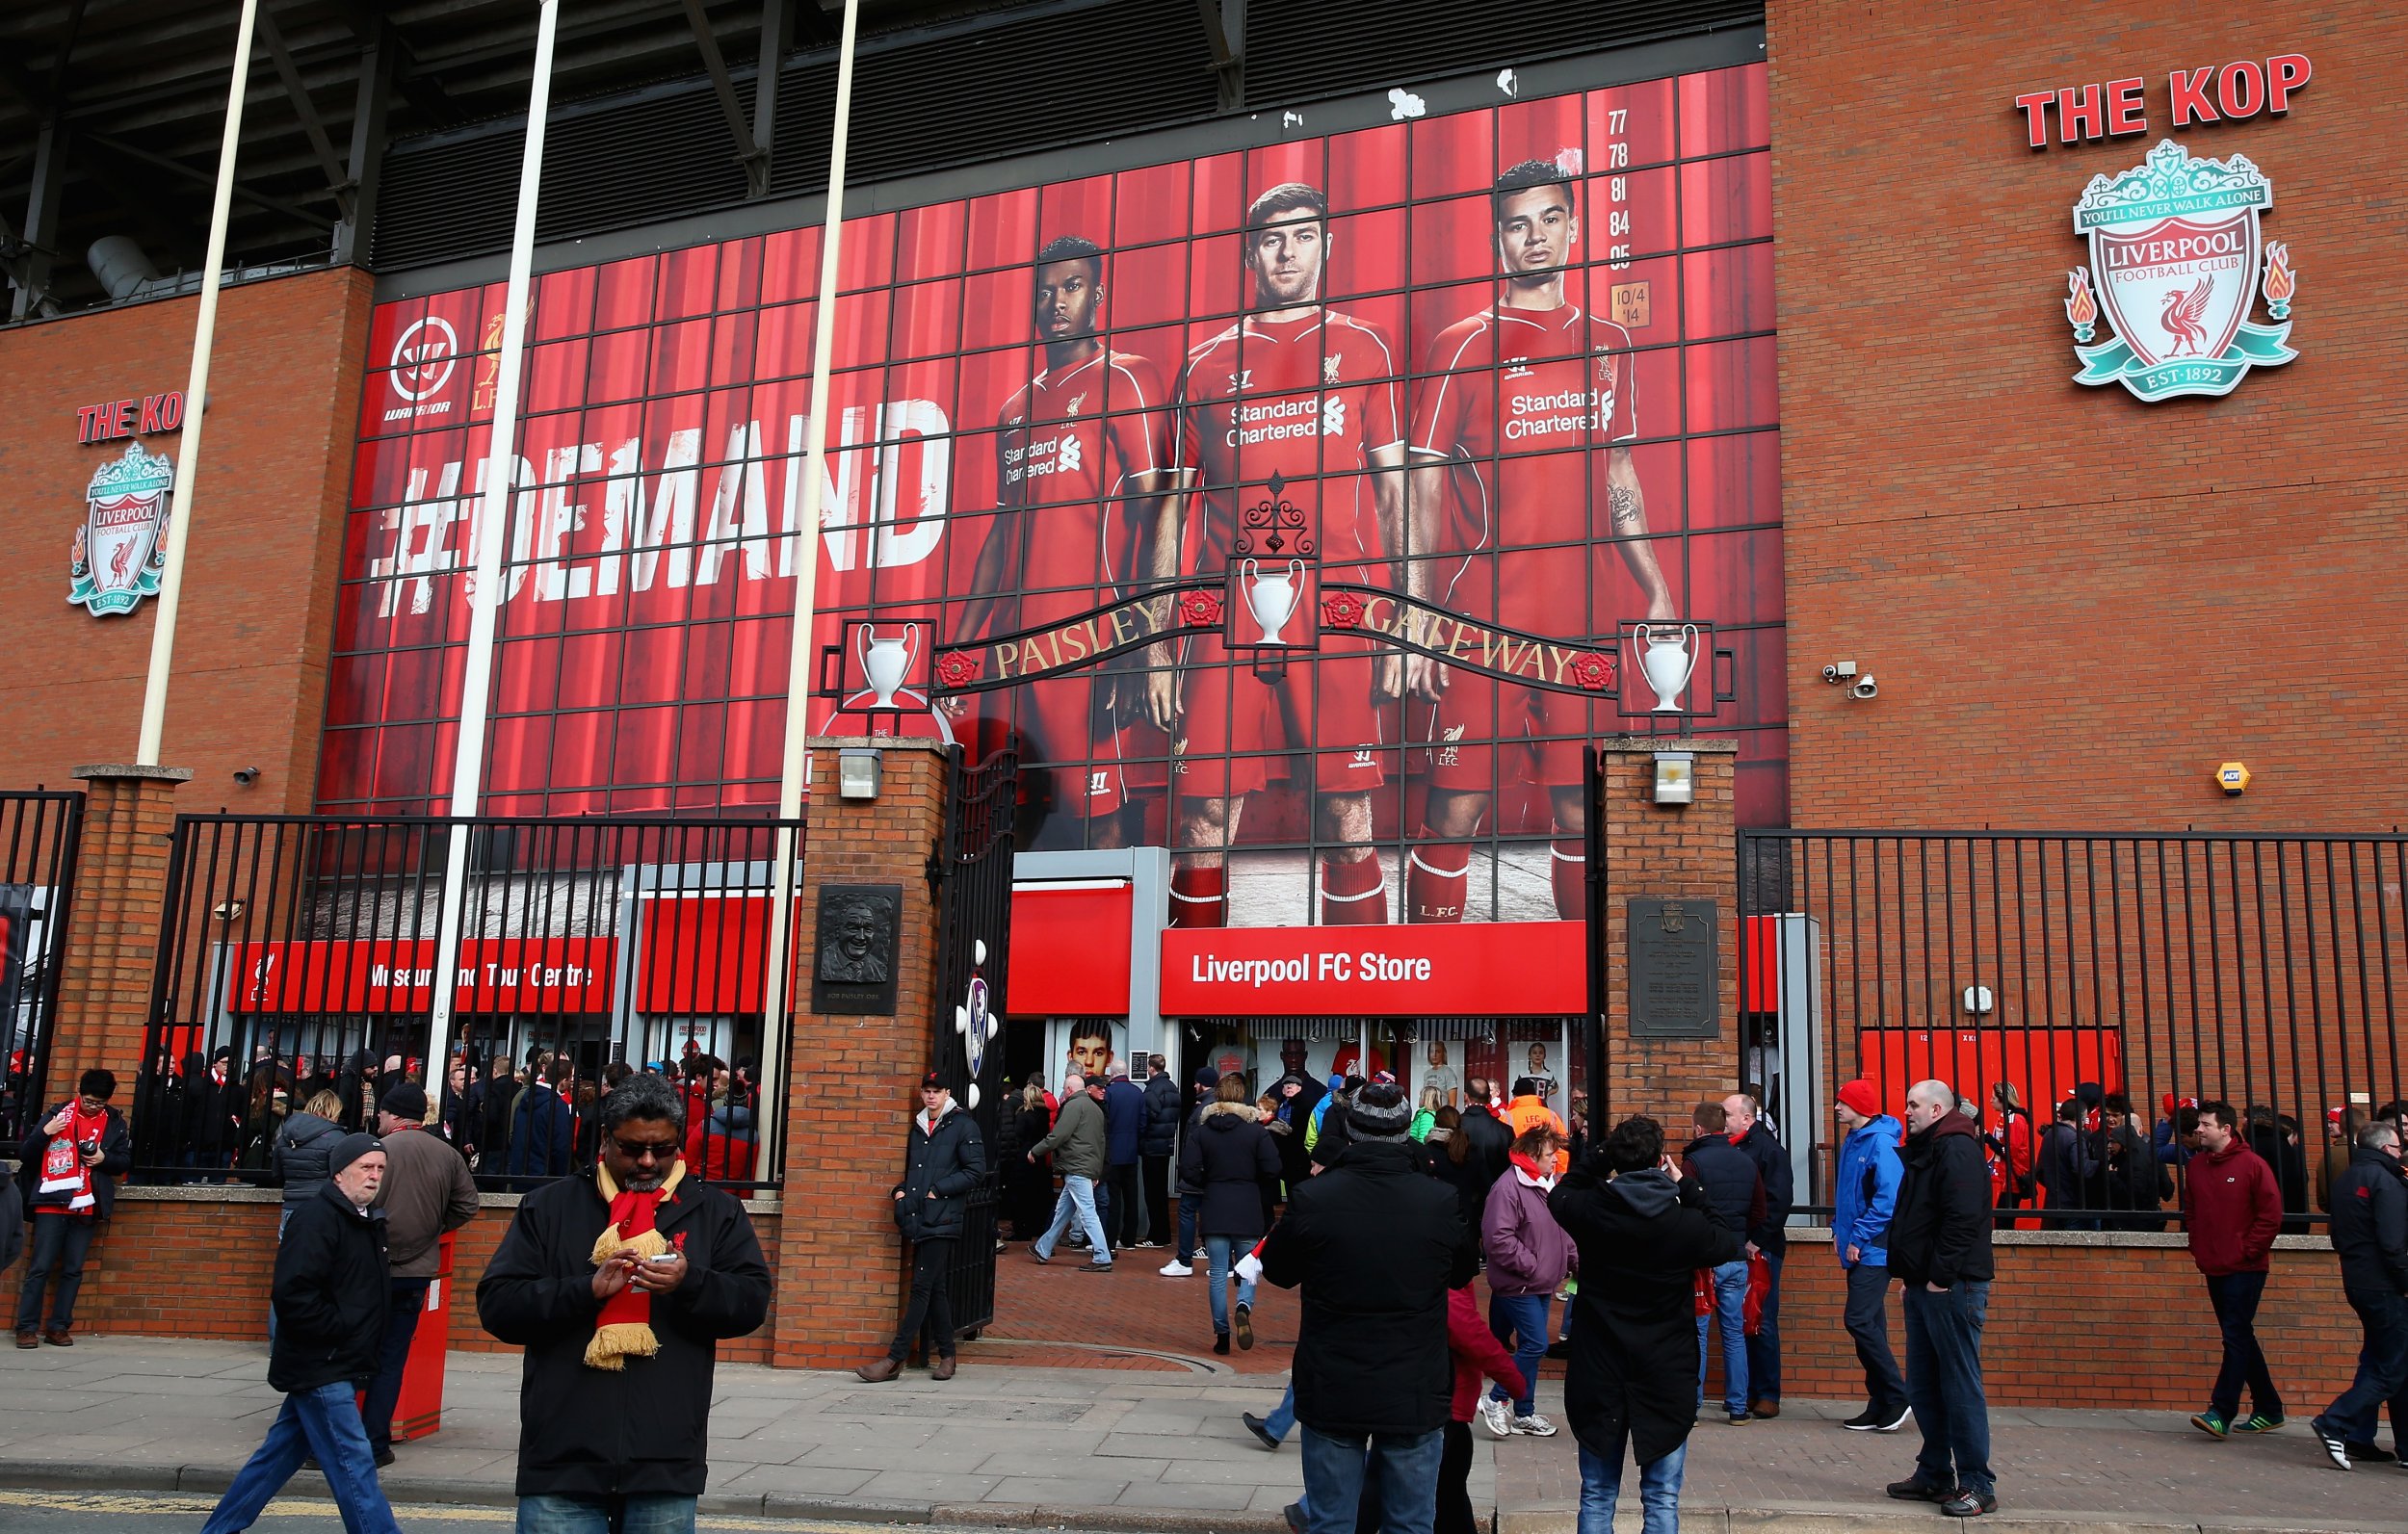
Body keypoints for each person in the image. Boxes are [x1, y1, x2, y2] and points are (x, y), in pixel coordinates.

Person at [1403, 160, 1673, 928]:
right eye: (1519, 225)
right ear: (1499, 241)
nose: (1536, 237)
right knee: (1455, 812)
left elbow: (1619, 471)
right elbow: (1421, 489)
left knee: (1578, 810)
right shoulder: (1461, 345)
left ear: (1574, 227)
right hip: (1481, 627)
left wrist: (1656, 587)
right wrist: (1418, 617)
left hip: (1578, 628)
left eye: (1551, 219)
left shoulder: (1609, 342)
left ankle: (1582, 1002)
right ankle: (1428, 1001)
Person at [1154, 180, 1412, 930]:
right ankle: (1192, 1010)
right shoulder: (1204, 365)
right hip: (1226, 610)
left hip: (1334, 606)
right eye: (1273, 239)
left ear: (1326, 246)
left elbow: (1395, 498)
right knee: (1204, 811)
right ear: (1249, 253)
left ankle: (1367, 1005)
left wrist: (1401, 622)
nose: (1288, 252)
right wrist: (1157, 644)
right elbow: (1174, 508)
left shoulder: (1363, 349)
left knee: (1347, 808)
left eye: (1303, 236)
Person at [477, 1070, 772, 1530]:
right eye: (632, 1149)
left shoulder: (717, 1212)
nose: (648, 1162)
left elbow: (751, 1302)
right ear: (605, 1141)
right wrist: (585, 1290)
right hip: (561, 1460)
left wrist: (690, 1281)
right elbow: (498, 1306)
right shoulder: (550, 1207)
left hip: (665, 1459)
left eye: (664, 1149)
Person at [952, 234, 1173, 843]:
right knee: (1020, 824)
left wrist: (1136, 647)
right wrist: (963, 649)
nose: (1057, 302)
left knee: (1095, 821)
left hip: (1086, 644)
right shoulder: (1014, 411)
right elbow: (1003, 534)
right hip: (1017, 652)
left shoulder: (1128, 379)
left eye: (1071, 287)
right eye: (1045, 291)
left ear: (1098, 295)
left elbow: (1157, 515)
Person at [1260, 1083, 1478, 1534]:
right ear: (1405, 1134)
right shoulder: (1439, 1201)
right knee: (1411, 1523)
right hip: (1413, 1382)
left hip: (1335, 1380)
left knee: (1332, 1522)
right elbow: (1460, 1274)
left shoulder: (1316, 1197)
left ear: (1352, 1133)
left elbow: (1278, 1271)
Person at [1548, 1115, 1743, 1534]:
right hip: (1664, 1369)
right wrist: (1687, 1186)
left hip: (1600, 1369)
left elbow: (1562, 1192)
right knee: (1662, 1499)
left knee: (1597, 1495)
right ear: (1660, 1160)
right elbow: (1726, 1238)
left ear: (1616, 1160)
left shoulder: (1591, 1210)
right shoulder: (1683, 1224)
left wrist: (1600, 1155)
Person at [199, 1133, 400, 1534]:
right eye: (366, 1167)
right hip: (323, 1363)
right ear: (340, 1172)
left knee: (277, 1456)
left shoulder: (366, 1221)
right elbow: (293, 1294)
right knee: (353, 1462)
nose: (374, 1176)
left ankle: (219, 1530)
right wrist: (338, 1335)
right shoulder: (316, 1219)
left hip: (335, 1359)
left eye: (380, 1168)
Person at [1886, 1079, 1997, 1518]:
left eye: (1914, 1105)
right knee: (1925, 1385)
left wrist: (1939, 1277)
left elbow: (1963, 1217)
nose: (1907, 1111)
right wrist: (1915, 1278)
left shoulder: (1956, 1149)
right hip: (1925, 1283)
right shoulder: (1931, 1147)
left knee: (1959, 1385)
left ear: (1937, 1109)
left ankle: (1976, 1484)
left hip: (1953, 1286)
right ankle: (1934, 1473)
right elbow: (1921, 1218)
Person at [362, 1081, 478, 1463]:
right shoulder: (446, 1154)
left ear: (394, 1114)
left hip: (371, 1267)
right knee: (392, 1358)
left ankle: (338, 1439)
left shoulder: (377, 1150)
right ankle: (376, 1442)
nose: (377, 1117)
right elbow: (467, 1206)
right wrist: (433, 1229)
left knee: (353, 1354)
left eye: (381, 1111)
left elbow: (354, 1201)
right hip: (417, 1269)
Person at [860, 1071, 987, 1382]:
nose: (931, 1096)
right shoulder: (919, 1127)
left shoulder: (962, 1125)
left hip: (942, 1217)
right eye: (926, 1091)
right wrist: (901, 1191)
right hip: (919, 1216)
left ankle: (894, 1359)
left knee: (920, 1288)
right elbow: (918, 1171)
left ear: (947, 1093)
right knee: (935, 1288)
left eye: (936, 1091)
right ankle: (947, 1355)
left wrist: (938, 1190)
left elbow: (976, 1171)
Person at [2307, 1119, 2408, 1471]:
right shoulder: (2387, 1181)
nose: (2401, 1153)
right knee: (2391, 1367)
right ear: (2384, 1149)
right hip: (2385, 1285)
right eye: (2398, 1148)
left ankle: (2378, 1440)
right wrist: (2404, 1280)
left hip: (2358, 1280)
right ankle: (2335, 1422)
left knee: (2386, 1360)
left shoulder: (2347, 1178)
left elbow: (2338, 1232)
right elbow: (2394, 1243)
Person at [2182, 1100, 2285, 1440]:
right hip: (2213, 1263)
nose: (2198, 1129)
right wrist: (2198, 1246)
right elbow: (2192, 1211)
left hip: (2246, 1267)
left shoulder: (2252, 1165)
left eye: (2205, 1124)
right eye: (2199, 1124)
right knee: (2240, 1335)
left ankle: (2221, 1411)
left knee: (2235, 1335)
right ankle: (2269, 1407)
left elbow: (2270, 1215)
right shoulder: (2196, 1166)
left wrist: (2248, 1250)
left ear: (2225, 1129)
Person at [13, 1068, 131, 1346]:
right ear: (79, 1093)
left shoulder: (114, 1122)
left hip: (87, 1203)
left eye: (99, 1103)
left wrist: (104, 1158)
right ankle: (27, 1328)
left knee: (73, 1268)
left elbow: (124, 1161)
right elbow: (26, 1154)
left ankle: (59, 1326)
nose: (93, 1107)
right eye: (89, 1101)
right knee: (40, 1266)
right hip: (52, 1201)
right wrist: (46, 1132)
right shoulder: (58, 1114)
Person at [1479, 1125, 1569, 1439]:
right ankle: (1496, 1398)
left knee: (1531, 1346)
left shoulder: (1546, 1182)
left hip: (1540, 1281)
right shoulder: (1507, 1189)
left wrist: (1571, 1259)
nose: (1555, 1160)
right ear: (1531, 1156)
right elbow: (1497, 1239)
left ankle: (1524, 1413)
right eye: (1549, 1154)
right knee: (1535, 1344)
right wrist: (1532, 1266)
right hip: (1520, 1283)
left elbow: (1561, 1230)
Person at [1831, 1079, 1909, 1432]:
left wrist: (1857, 1237)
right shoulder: (1856, 1140)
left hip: (1874, 1248)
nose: (1836, 1107)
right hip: (1860, 1247)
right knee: (1871, 1323)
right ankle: (1880, 1402)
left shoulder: (1880, 1143)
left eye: (1842, 1102)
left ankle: (1896, 1395)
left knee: (1858, 1320)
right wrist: (1838, 1229)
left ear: (1860, 1106)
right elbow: (1848, 1194)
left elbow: (1887, 1201)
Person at [1182, 1074, 1279, 1354]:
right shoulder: (1256, 1131)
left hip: (1215, 1202)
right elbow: (1272, 1167)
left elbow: (1188, 1169)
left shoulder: (1202, 1131)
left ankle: (1221, 1334)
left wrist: (1207, 1182)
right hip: (1247, 1204)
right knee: (1249, 1269)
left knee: (1217, 1275)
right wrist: (1255, 1181)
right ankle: (1243, 1306)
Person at [1681, 1100, 1761, 1424]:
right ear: (1724, 1127)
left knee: (1697, 1333)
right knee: (1733, 1333)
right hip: (1736, 1255)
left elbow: (1684, 1210)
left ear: (1699, 1128)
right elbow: (1760, 1211)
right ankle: (1738, 1407)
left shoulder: (1693, 1162)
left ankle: (1693, 1406)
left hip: (1703, 1259)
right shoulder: (1746, 1162)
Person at [1439, 1278, 1527, 1534]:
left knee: (1450, 1492)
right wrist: (1514, 1381)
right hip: (1443, 1402)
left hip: (1449, 1403)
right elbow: (1468, 1331)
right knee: (1434, 1492)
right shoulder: (1445, 1273)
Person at [1725, 1091, 1792, 1418]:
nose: (1724, 1120)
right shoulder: (1731, 1147)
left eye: (1728, 1114)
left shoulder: (1767, 1151)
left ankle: (1767, 1393)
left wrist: (1758, 1240)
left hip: (1761, 1249)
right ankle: (1749, 1391)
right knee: (1741, 1320)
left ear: (1746, 1119)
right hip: (1739, 1245)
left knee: (1761, 1317)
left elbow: (1779, 1201)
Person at [1029, 1071, 1112, 1268]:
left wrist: (1036, 1151)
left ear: (1068, 1089)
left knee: (1087, 1212)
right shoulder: (1095, 1108)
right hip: (1086, 1167)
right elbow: (1100, 1142)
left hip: (1076, 1167)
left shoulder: (1074, 1105)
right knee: (1063, 1212)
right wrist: (1096, 1171)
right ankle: (1043, 1248)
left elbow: (1058, 1135)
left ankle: (1102, 1256)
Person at [1164, 1064, 1222, 1276]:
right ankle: (1223, 1263)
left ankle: (1184, 1260)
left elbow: (1195, 1142)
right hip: (1210, 1173)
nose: (1194, 1085)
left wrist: (1189, 1170)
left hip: (1198, 1174)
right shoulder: (1216, 1104)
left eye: (1196, 1082)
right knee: (1212, 1216)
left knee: (1188, 1211)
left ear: (1201, 1083)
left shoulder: (1204, 1108)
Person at [1456, 1078, 1513, 1231]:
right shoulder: (1505, 1131)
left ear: (1466, 1096)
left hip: (1460, 1201)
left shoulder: (1455, 1127)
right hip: (1495, 1200)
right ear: (1489, 1098)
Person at [1103, 1061, 1149, 1250]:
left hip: (1113, 1151)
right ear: (1126, 1072)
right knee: (1131, 1197)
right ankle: (1129, 1239)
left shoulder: (1110, 1093)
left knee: (1113, 1200)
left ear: (1112, 1074)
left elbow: (1105, 1121)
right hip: (1131, 1151)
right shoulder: (1138, 1093)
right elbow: (1143, 1122)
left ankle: (1110, 1241)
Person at [2034, 1098, 2099, 1230]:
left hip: (2052, 1203)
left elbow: (2040, 1171)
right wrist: (2100, 1163)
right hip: (2072, 1205)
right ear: (2081, 1118)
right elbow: (2082, 1169)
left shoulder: (2049, 1135)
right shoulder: (2074, 1138)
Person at [1140, 1053, 1183, 1247]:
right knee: (1160, 1192)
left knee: (1153, 1193)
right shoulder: (1172, 1087)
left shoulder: (1152, 1089)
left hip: (1152, 1146)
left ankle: (1156, 1235)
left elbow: (1147, 1117)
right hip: (1166, 1145)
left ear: (1151, 1068)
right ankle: (1162, 1234)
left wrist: (1140, 1135)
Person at [509, 1056, 575, 1180]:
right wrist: (562, 1176)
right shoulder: (558, 1106)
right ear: (564, 1081)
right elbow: (561, 1146)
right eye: (571, 1078)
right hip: (544, 1174)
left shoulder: (526, 1097)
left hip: (519, 1171)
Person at [1008, 1079, 1056, 1241]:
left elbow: (1017, 1137)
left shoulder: (1024, 1116)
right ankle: (1037, 1226)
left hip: (1024, 1159)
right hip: (1041, 1158)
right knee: (1038, 1195)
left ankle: (1021, 1230)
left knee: (1020, 1196)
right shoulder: (1044, 1115)